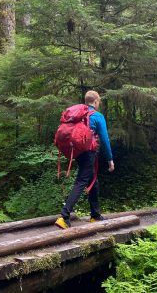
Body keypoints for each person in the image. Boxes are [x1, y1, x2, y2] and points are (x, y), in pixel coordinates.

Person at [55, 90, 115, 229]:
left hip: (77, 152)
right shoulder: (97, 116)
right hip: (89, 153)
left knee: (93, 180)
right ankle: (64, 216)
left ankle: (95, 215)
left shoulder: (79, 115)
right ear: (95, 101)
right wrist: (110, 159)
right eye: (98, 102)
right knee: (82, 181)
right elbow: (105, 140)